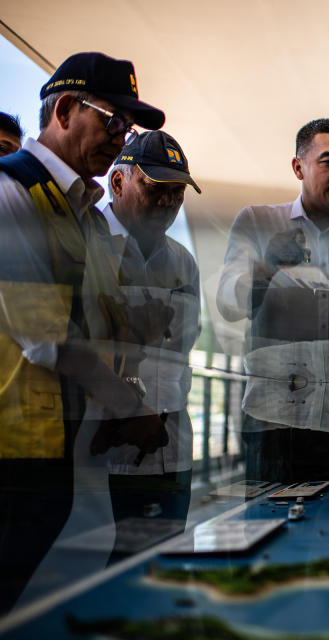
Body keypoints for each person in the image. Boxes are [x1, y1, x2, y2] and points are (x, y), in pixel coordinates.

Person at [0, 52, 168, 612]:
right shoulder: (12, 193)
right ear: (67, 109)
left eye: (129, 127)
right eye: (113, 121)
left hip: (79, 451)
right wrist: (129, 407)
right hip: (18, 453)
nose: (121, 138)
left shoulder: (91, 216)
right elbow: (46, 334)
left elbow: (105, 325)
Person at [217, 118, 329, 486]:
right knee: (268, 529)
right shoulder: (257, 221)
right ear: (298, 167)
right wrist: (266, 266)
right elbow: (228, 304)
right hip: (274, 420)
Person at [102, 130, 201, 557]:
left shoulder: (182, 262)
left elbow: (183, 351)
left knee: (165, 573)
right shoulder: (86, 246)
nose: (167, 202)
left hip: (171, 454)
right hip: (100, 458)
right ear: (118, 182)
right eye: (155, 187)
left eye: (177, 192)